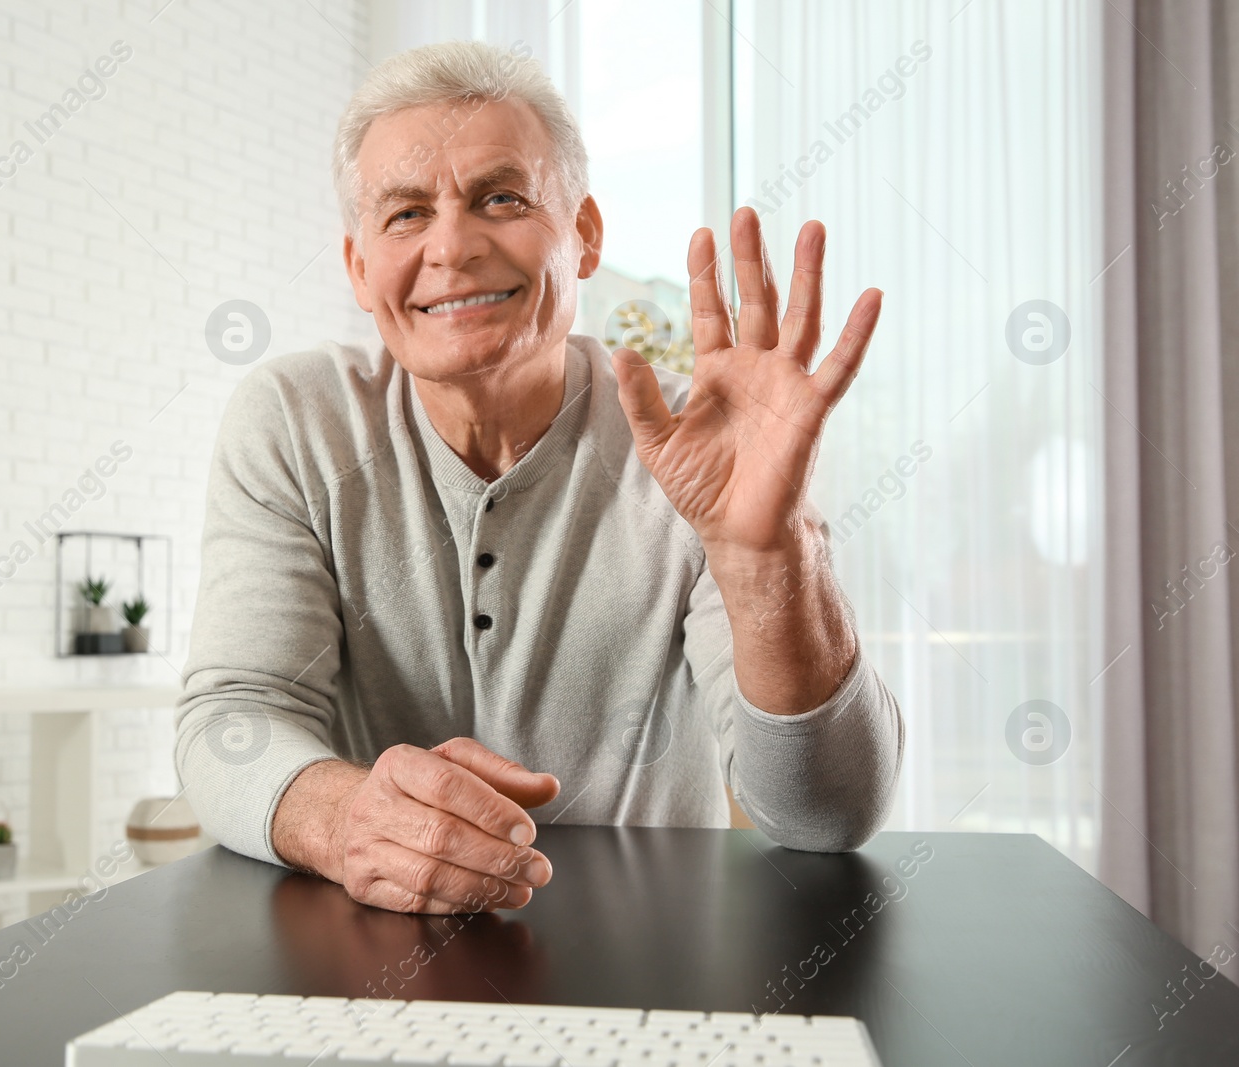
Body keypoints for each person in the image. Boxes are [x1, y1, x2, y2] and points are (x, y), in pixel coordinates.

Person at [174, 40, 903, 915]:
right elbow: (232, 717)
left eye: (501, 197)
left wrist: (771, 560)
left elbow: (825, 815)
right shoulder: (293, 419)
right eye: (405, 213)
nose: (452, 246)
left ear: (584, 236)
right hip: (373, 972)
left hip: (652, 970)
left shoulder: (694, 449)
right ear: (360, 269)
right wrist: (343, 819)